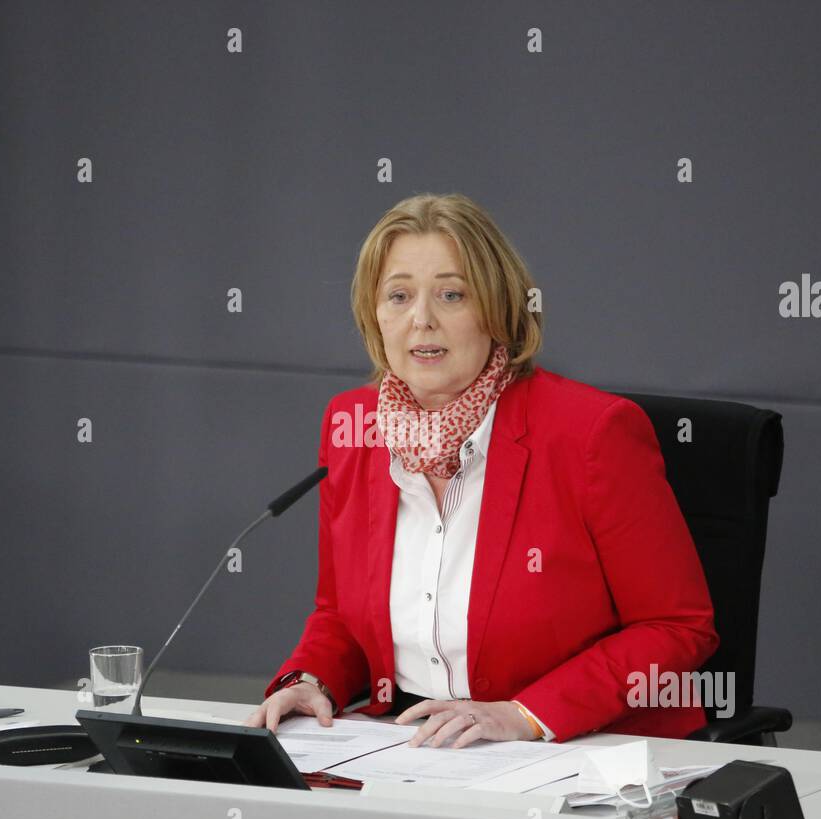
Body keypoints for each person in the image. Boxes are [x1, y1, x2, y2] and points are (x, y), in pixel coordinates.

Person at [243, 193, 718, 746]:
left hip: (579, 745)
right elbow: (340, 616)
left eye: (452, 294)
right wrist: (311, 680)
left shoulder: (592, 433)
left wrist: (525, 715)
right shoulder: (354, 425)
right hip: (413, 744)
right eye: (398, 296)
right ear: (374, 316)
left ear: (499, 310)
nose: (422, 319)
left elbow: (677, 627)